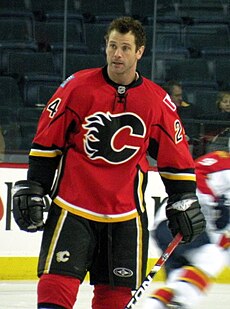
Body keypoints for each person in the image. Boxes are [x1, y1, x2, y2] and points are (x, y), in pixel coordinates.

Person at [12, 16, 205, 309]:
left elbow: (174, 156)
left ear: (140, 52)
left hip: (125, 218)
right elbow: (47, 142)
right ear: (105, 47)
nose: (117, 54)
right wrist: (35, 185)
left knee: (113, 300)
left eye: (126, 48)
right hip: (72, 209)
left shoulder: (156, 102)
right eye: (113, 46)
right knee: (54, 290)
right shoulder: (77, 88)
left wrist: (183, 198)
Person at [143, 141, 230, 309]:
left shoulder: (221, 165)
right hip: (181, 219)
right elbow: (195, 175)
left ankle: (155, 306)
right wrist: (214, 203)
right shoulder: (224, 164)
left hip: (176, 225)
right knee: (212, 258)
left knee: (177, 283)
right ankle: (180, 303)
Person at [162, 80, 201, 157]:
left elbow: (195, 134)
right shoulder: (158, 111)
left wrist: (189, 137)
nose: (181, 98)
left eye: (181, 95)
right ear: (167, 96)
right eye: (177, 96)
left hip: (187, 149)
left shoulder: (190, 109)